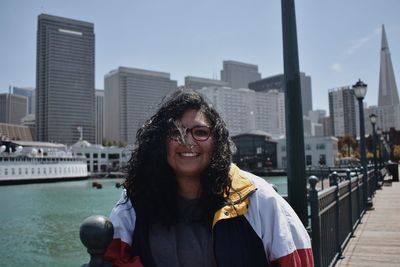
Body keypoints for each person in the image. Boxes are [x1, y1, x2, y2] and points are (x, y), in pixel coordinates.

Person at [104, 89, 314, 267]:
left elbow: (296, 259)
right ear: (160, 141)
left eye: (201, 132)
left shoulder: (256, 196)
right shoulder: (135, 199)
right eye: (175, 132)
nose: (187, 141)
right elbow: (113, 258)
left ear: (217, 141)